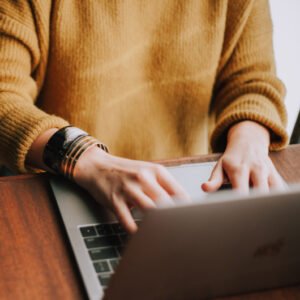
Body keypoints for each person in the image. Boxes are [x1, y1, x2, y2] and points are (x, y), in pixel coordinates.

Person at [0, 0, 288, 233]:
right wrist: (85, 159)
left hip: (189, 192)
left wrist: (250, 139)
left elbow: (252, 80)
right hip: (68, 190)